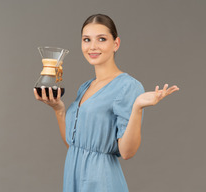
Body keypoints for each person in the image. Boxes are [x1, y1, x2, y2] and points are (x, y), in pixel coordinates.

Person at [34, 14, 179, 192]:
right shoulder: (85, 87)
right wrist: (58, 109)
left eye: (101, 39)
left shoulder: (128, 87)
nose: (92, 46)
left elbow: (127, 152)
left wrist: (137, 108)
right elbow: (74, 145)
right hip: (74, 179)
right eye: (86, 40)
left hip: (101, 182)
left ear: (116, 44)